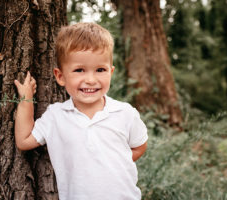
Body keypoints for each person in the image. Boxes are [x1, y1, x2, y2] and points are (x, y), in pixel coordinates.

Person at [14, 22, 148, 200]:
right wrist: (26, 99)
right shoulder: (56, 116)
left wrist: (113, 165)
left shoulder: (125, 113)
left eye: (100, 70)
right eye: (79, 70)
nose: (91, 80)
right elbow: (23, 141)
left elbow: (139, 146)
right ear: (60, 76)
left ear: (111, 72)